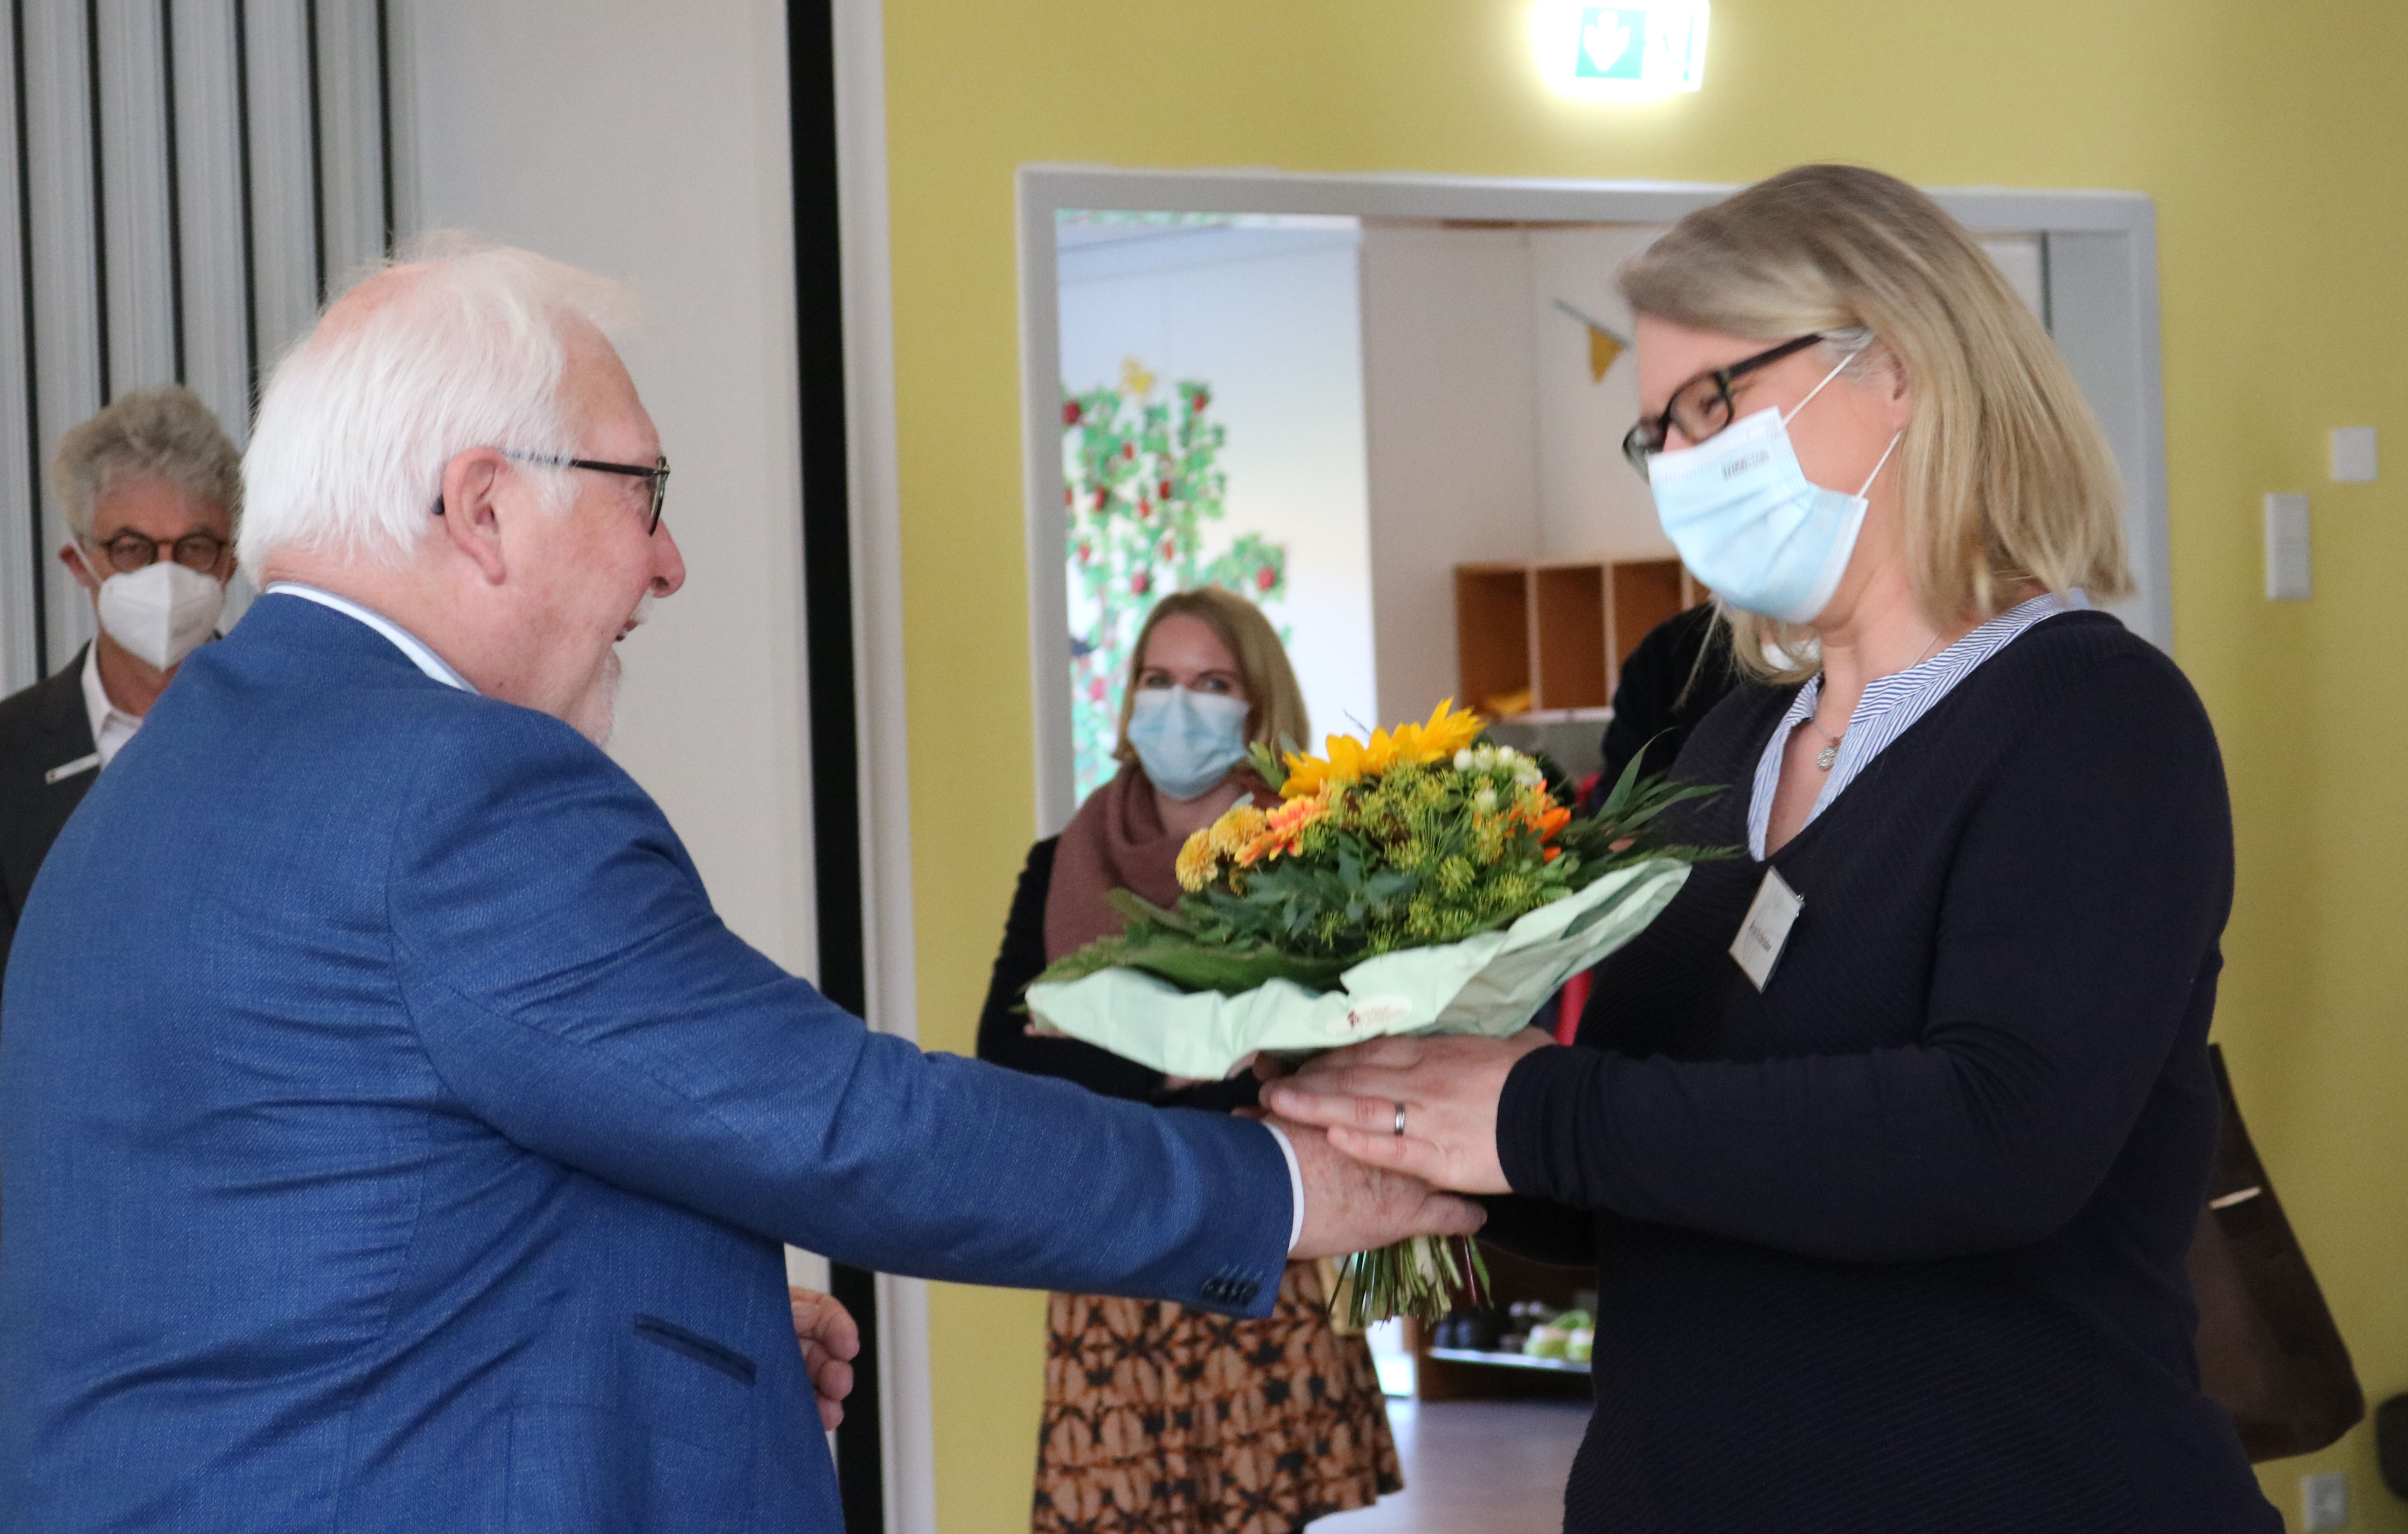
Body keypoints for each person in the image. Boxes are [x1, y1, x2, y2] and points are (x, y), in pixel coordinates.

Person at [0, 239, 1482, 1533]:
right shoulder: (454, 792)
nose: (671, 562)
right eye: (643, 490)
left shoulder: (178, 766)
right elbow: (852, 1127)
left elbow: (301, 1230)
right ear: (483, 505)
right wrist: (1297, 1184)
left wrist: (673, 1316)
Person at [1270, 164, 2278, 1532]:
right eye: (1655, 433)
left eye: (1714, 402)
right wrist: (1398, 1117)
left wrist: (1531, 1109)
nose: (1682, 463)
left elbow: (1996, 1137)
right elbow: (1641, 1171)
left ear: (1904, 365)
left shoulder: (2093, 719)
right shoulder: (1725, 749)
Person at [978, 588, 1400, 1534]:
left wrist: (1104, 1045)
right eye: (1159, 680)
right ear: (1128, 699)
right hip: (1108, 1244)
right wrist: (1187, 1064)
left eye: (1212, 683)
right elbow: (1005, 1057)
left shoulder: (1309, 857)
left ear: (1256, 706)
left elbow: (1325, 1053)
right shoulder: (1060, 864)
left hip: (1261, 1231)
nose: (1180, 705)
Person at [0, 386, 243, 992]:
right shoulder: (9, 754)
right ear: (80, 563)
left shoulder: (300, 738)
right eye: (133, 549)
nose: (167, 572)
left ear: (229, 563)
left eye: (194, 546)